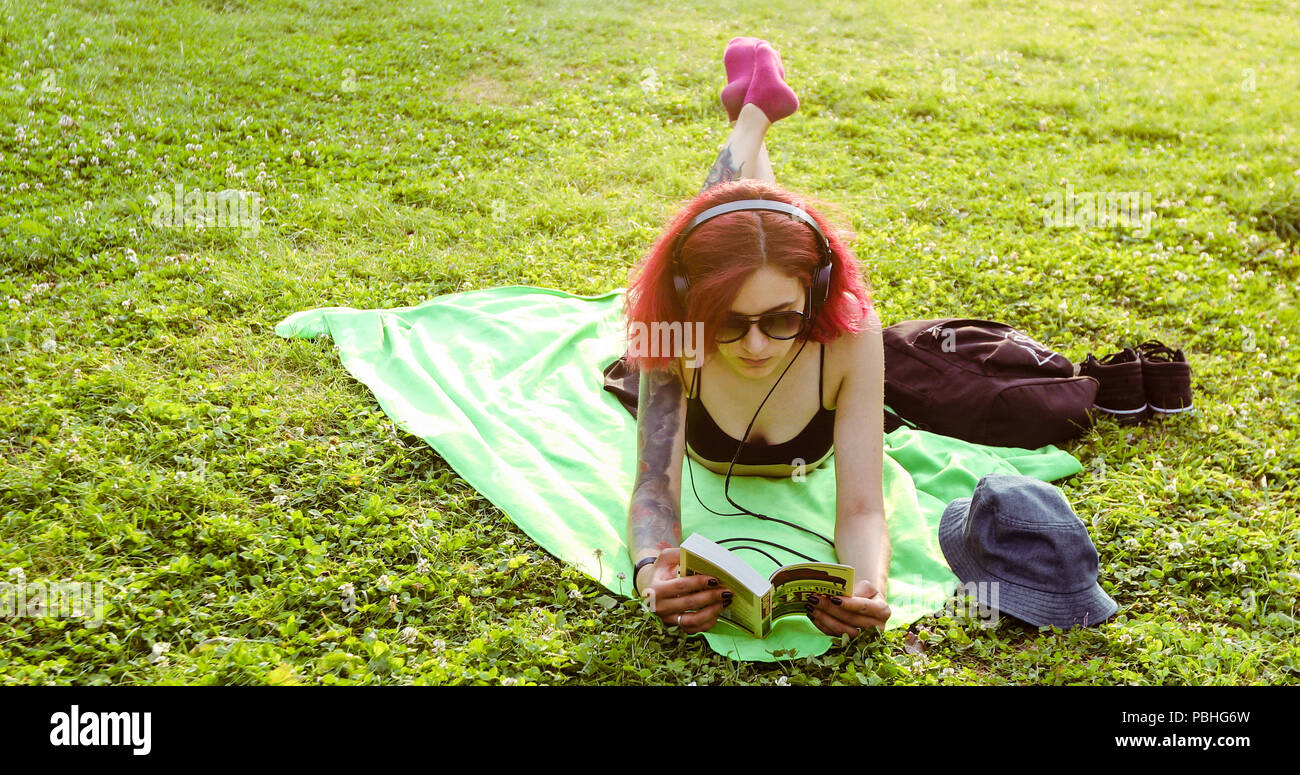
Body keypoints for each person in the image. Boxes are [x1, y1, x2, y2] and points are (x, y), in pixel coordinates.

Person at [623, 37, 891, 639]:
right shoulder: (672, 332)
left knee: (747, 230)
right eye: (728, 321)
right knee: (733, 233)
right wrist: (650, 573)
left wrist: (868, 583)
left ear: (816, 294)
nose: (756, 346)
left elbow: (863, 508)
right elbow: (653, 485)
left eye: (781, 319)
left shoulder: (851, 332)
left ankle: (751, 120)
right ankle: (752, 118)